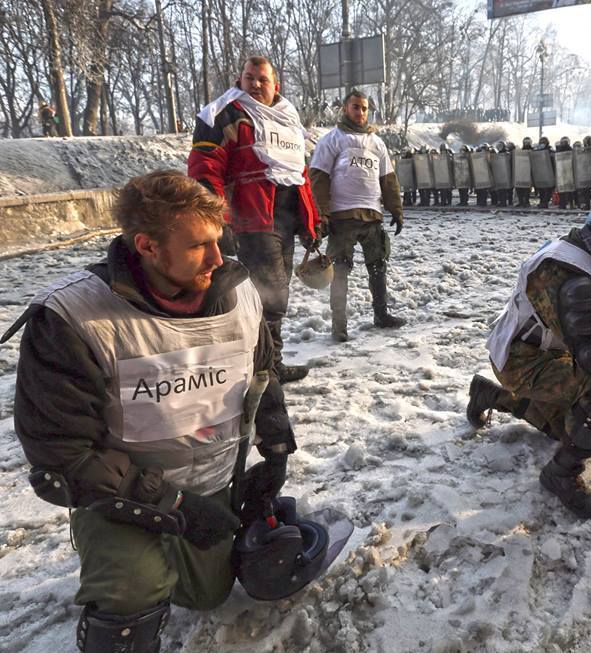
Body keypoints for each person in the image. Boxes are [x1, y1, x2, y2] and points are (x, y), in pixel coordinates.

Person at [1, 171, 296, 651]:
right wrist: (174, 505)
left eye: (219, 241)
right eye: (199, 246)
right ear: (148, 246)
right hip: (121, 494)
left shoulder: (239, 292)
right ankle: (122, 577)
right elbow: (63, 454)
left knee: (208, 593)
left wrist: (276, 450)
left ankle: (174, 558)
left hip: (212, 480)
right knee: (132, 589)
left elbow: (262, 375)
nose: (220, 259)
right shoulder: (72, 318)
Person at [466, 207, 591, 519]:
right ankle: (560, 473)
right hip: (521, 361)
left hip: (527, 350)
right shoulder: (574, 280)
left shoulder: (577, 251)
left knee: (570, 430)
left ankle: (491, 395)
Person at [188, 55, 318, 384]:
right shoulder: (225, 113)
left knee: (276, 292)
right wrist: (217, 220)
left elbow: (299, 174)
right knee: (269, 295)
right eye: (249, 78)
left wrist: (311, 221)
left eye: (262, 79)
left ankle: (269, 360)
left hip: (285, 218)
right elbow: (206, 169)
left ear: (277, 85)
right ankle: (265, 368)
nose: (256, 84)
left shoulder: (288, 119)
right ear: (240, 79)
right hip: (252, 218)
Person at [309, 89, 405, 343]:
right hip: (342, 216)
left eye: (364, 108)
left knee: (378, 266)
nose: (360, 112)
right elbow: (318, 178)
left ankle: (381, 315)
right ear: (345, 108)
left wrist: (396, 209)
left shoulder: (377, 143)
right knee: (340, 270)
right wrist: (323, 214)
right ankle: (338, 326)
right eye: (355, 107)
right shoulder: (333, 139)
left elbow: (388, 179)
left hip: (372, 215)